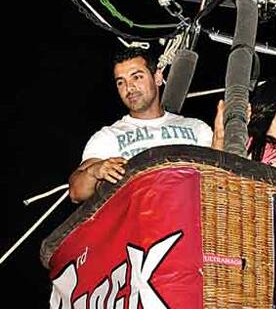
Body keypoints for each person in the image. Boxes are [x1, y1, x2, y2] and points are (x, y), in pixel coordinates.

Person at [69, 47, 219, 203]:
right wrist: (95, 170)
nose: (129, 88)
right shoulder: (108, 136)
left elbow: (220, 179)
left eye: (137, 77)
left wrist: (221, 138)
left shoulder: (196, 128)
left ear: (157, 78)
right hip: (140, 220)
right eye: (121, 82)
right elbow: (76, 192)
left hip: (190, 215)